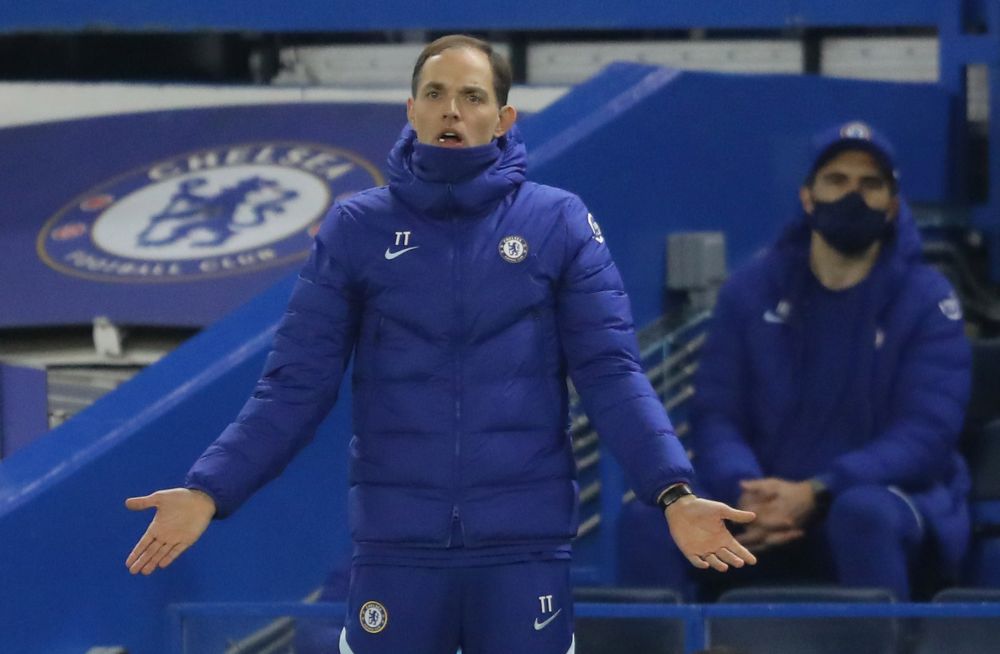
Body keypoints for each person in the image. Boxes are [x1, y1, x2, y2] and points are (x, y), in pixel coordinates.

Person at [124, 35, 756, 654]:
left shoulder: (558, 220)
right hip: (396, 550)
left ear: (504, 118)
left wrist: (673, 492)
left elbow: (612, 373)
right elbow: (294, 386)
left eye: (472, 96)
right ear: (412, 109)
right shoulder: (355, 228)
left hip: (524, 549)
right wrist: (209, 489)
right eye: (435, 92)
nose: (452, 109)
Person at [684, 121, 971, 601]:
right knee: (652, 519)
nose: (852, 196)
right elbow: (716, 412)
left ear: (894, 205)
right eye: (837, 181)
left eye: (870, 184)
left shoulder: (927, 299)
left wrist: (820, 490)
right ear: (807, 198)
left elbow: (927, 433)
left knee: (860, 513)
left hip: (882, 500)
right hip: (759, 506)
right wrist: (746, 493)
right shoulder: (749, 290)